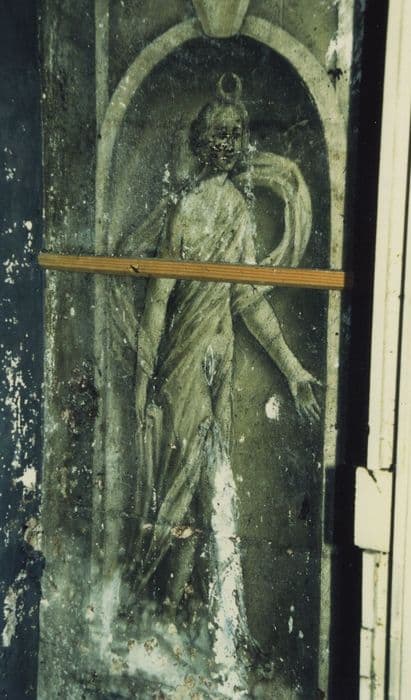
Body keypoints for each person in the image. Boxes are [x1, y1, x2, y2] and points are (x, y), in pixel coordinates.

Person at [127, 73, 320, 645]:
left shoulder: (238, 207)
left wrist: (293, 369)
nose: (229, 143)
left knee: (211, 488)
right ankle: (153, 613)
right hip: (184, 364)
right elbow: (158, 300)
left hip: (221, 360)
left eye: (236, 133)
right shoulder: (184, 210)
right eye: (219, 133)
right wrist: (141, 381)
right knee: (178, 489)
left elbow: (247, 298)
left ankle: (194, 624)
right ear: (200, 140)